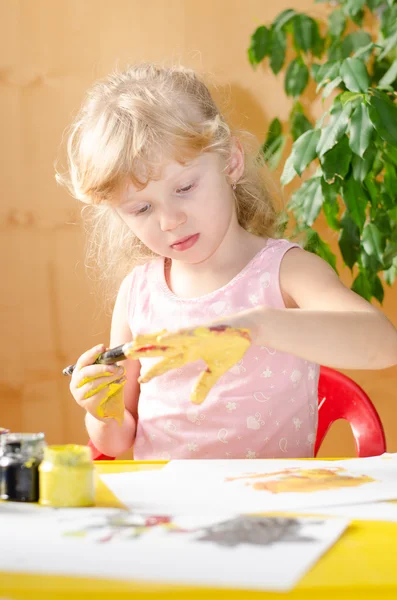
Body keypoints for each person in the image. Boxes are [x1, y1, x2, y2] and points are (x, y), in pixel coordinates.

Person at [58, 63, 397, 460]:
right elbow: (117, 442)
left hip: (270, 509)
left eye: (184, 187)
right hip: (171, 513)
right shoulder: (139, 293)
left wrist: (256, 326)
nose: (170, 220)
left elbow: (384, 345)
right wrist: (102, 410)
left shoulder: (285, 272)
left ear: (231, 162)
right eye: (141, 208)